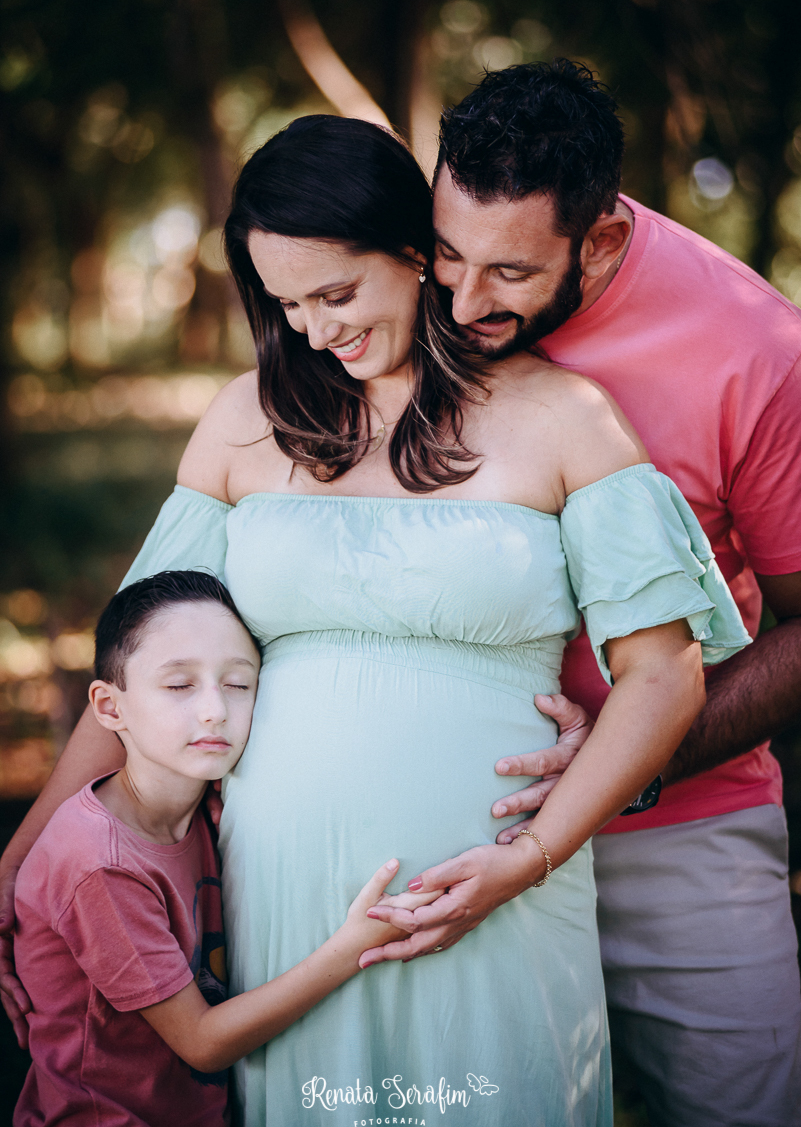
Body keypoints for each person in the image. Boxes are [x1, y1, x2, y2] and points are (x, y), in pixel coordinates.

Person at [0, 114, 748, 1126]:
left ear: (415, 252)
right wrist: (22, 862)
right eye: (286, 303)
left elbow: (664, 677)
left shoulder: (566, 418)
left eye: (337, 293)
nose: (314, 329)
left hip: (500, 886)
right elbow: (144, 669)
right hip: (289, 905)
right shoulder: (246, 420)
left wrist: (526, 862)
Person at [363, 61, 801, 1127]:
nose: (462, 305)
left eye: (509, 273)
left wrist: (628, 765)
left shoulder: (755, 349)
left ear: (599, 240)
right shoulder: (396, 297)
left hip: (683, 833)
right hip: (437, 833)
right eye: (448, 255)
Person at [13, 570, 434, 1127]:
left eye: (238, 683)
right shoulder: (98, 861)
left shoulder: (211, 808)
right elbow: (203, 1043)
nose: (214, 709)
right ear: (110, 708)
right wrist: (354, 944)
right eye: (179, 685)